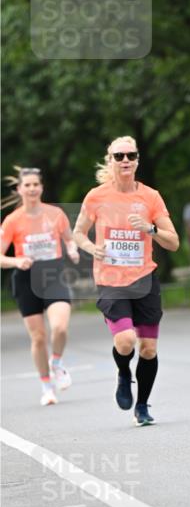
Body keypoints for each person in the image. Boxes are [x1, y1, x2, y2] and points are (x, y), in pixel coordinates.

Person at [73, 136, 179, 426]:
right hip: (111, 279)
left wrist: (150, 228)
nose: (125, 160)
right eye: (118, 156)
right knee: (125, 340)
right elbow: (78, 233)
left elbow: (173, 242)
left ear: (137, 160)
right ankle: (123, 373)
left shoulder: (151, 197)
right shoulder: (96, 197)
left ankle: (142, 406)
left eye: (130, 155)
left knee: (148, 349)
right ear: (110, 161)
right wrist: (91, 247)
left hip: (144, 279)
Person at [0, 167, 79, 405]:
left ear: (41, 188)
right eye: (28, 185)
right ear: (19, 189)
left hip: (53, 275)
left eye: (36, 184)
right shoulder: (12, 220)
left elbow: (69, 240)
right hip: (26, 280)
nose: (32, 188)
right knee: (38, 337)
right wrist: (16, 261)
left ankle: (57, 362)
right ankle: (46, 387)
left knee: (60, 328)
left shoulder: (55, 214)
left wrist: (73, 251)